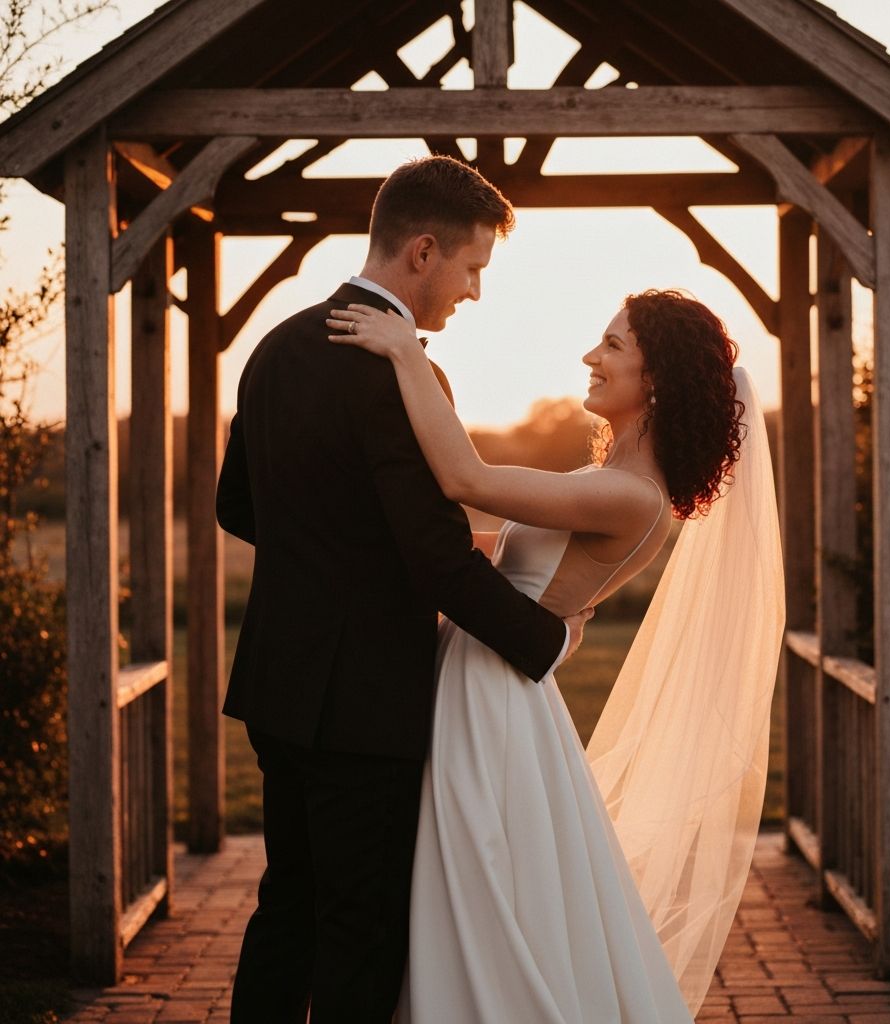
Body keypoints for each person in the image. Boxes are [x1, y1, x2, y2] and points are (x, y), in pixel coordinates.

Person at [326, 288, 786, 1022]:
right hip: (486, 674)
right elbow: (483, 554)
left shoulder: (634, 496)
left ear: (656, 377)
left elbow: (466, 481)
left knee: (472, 882)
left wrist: (405, 353)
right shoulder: (607, 486)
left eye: (612, 346)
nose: (590, 358)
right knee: (473, 881)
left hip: (492, 693)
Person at [216, 156, 592, 1024]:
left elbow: (237, 502)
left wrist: (330, 564)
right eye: (472, 269)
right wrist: (544, 639)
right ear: (423, 251)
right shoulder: (400, 373)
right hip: (364, 704)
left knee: (290, 908)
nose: (475, 292)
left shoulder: (276, 347)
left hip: (278, 686)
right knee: (360, 929)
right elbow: (435, 560)